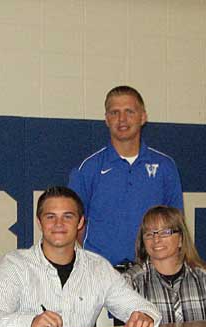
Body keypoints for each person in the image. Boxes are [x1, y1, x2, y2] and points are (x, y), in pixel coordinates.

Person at [0, 186, 161, 327]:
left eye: (68, 216)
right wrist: (30, 323)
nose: (59, 224)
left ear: (80, 222)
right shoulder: (15, 265)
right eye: (51, 217)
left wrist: (145, 317)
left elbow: (144, 309)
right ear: (39, 223)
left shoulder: (98, 268)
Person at [68, 85, 183, 267]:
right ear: (106, 119)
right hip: (102, 275)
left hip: (152, 273)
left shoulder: (165, 166)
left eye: (129, 111)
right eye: (114, 112)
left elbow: (176, 224)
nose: (122, 119)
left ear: (143, 117)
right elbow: (74, 224)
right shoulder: (88, 168)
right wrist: (101, 258)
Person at [124, 205, 206, 323]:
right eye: (149, 234)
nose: (156, 239)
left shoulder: (203, 276)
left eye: (165, 232)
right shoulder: (131, 281)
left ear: (181, 239)